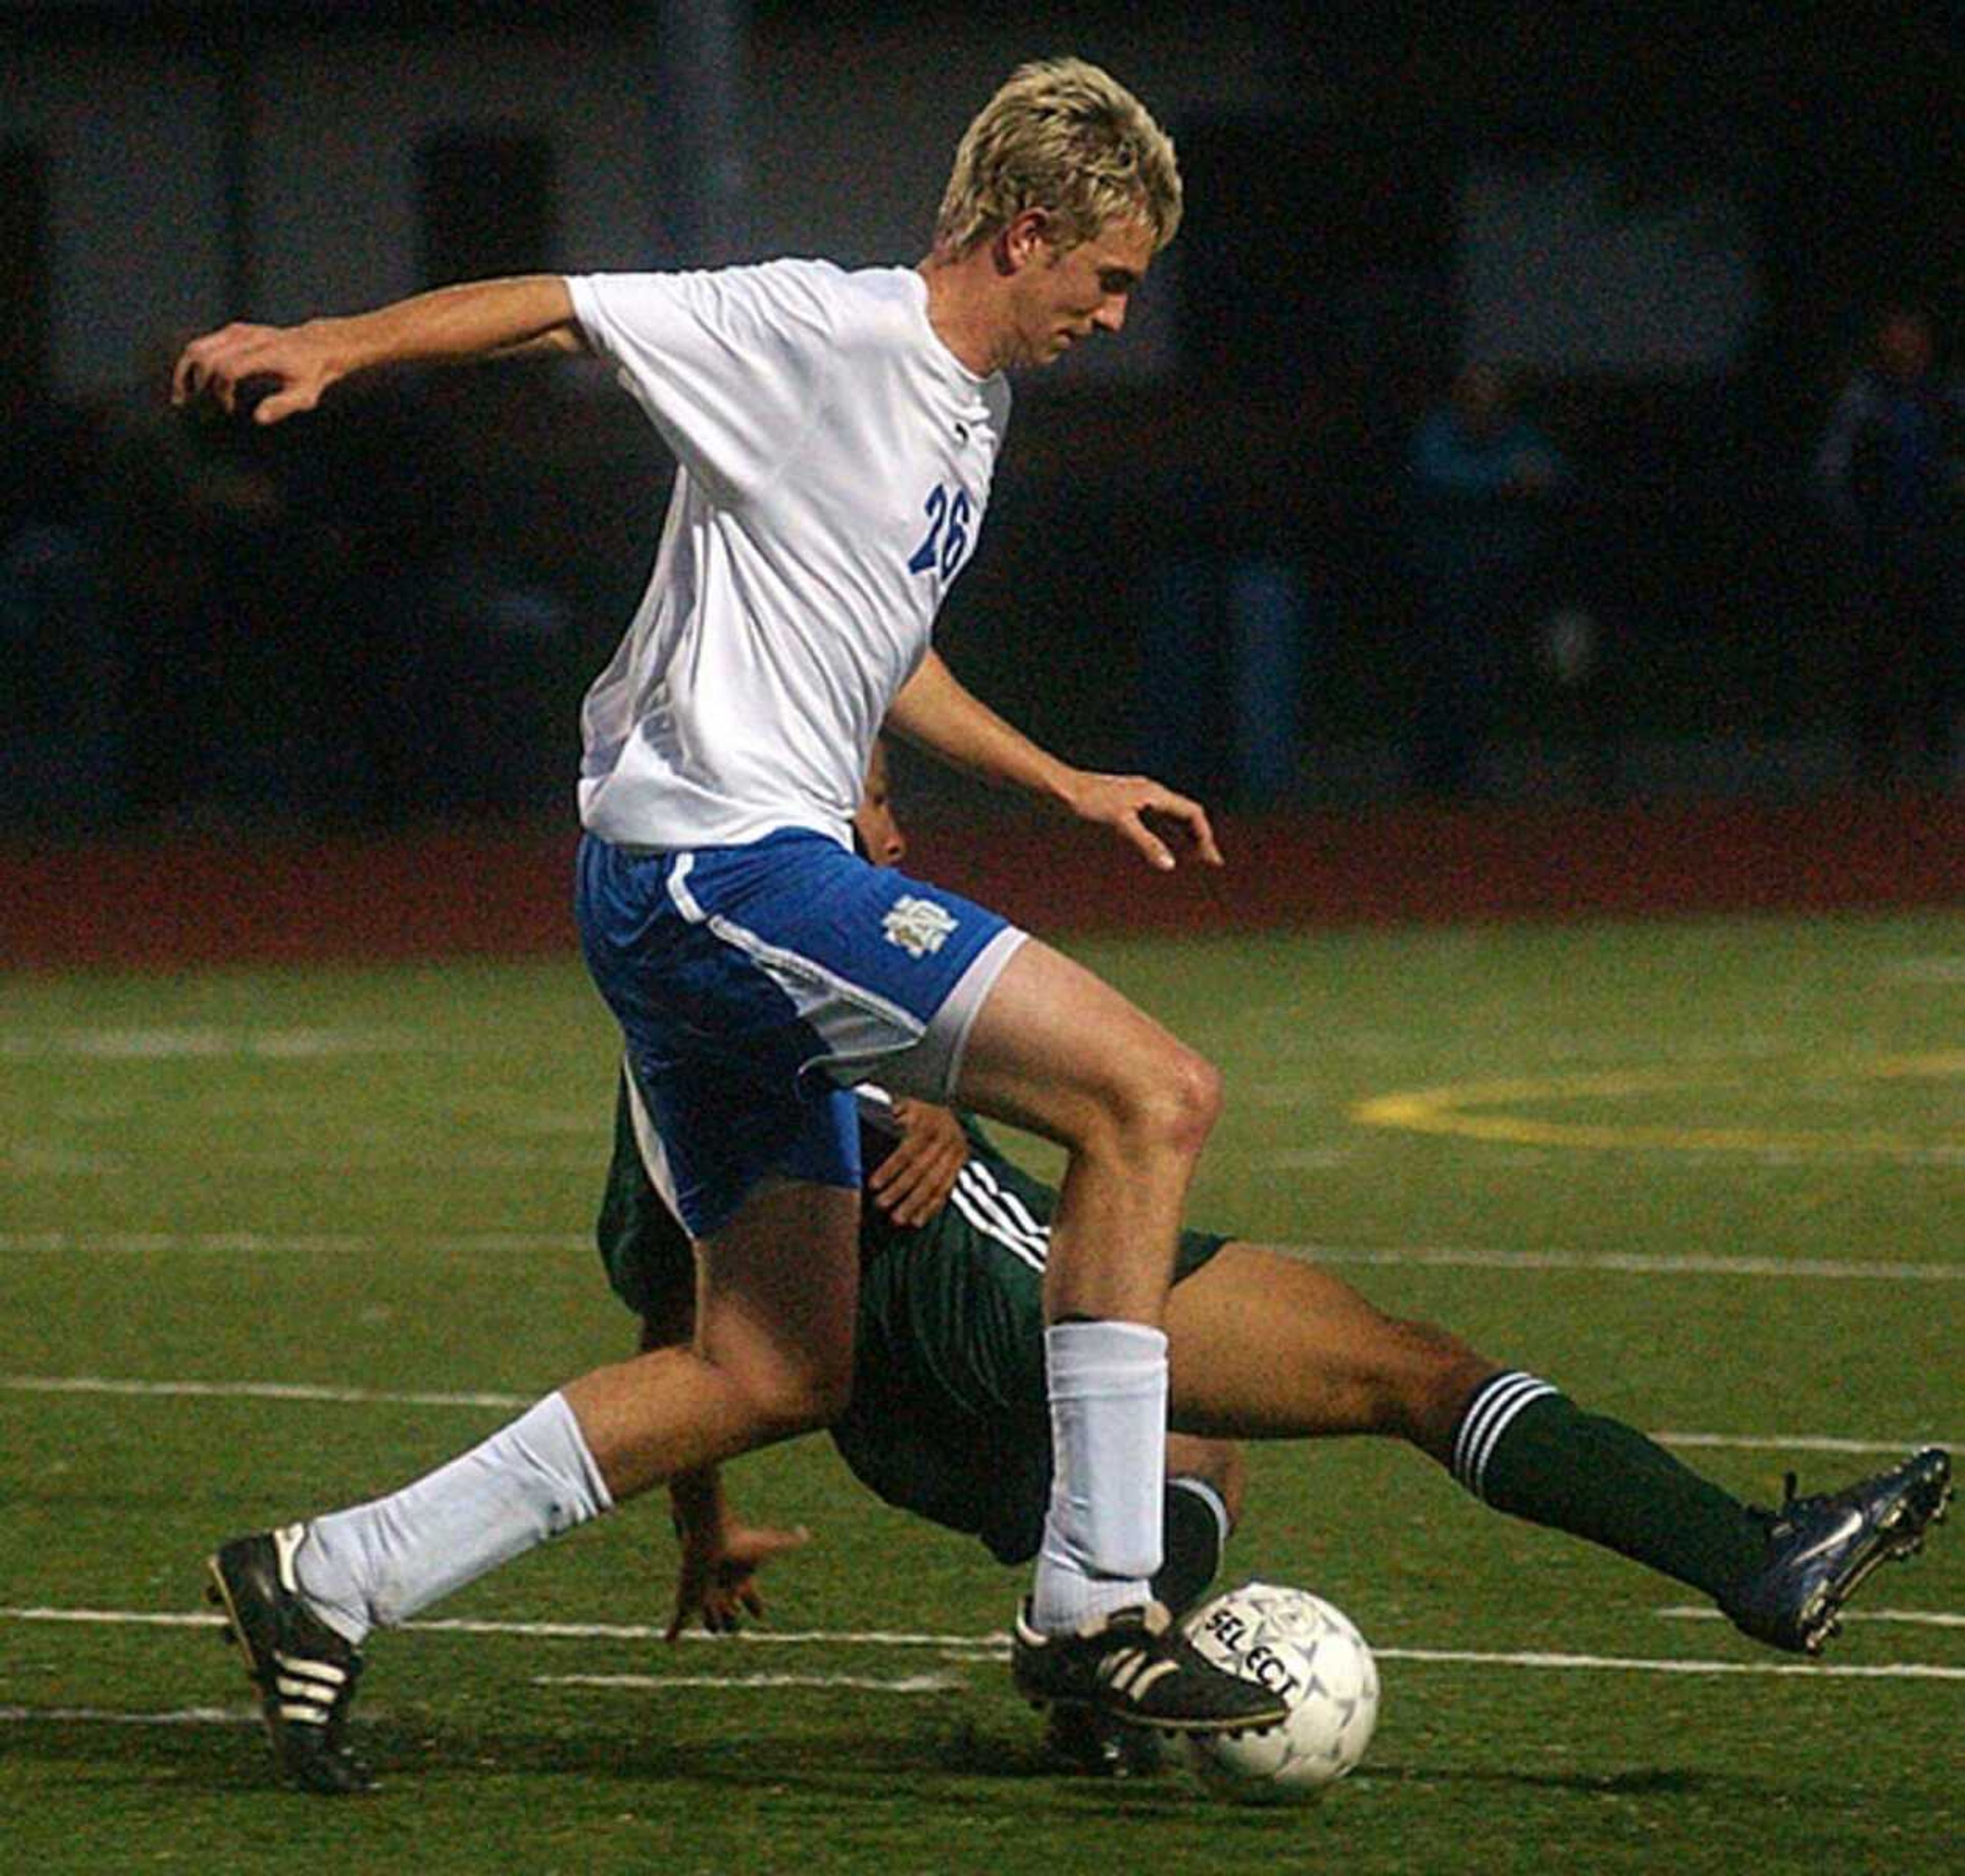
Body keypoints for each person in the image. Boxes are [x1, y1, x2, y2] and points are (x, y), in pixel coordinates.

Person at [177, 58, 1285, 1796]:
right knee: (1154, 1095)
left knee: (774, 1362)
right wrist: (335, 339)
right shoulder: (826, 330)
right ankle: (1099, 1595)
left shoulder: (968, 415)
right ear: (1025, 232)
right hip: (715, 863)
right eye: (1112, 274)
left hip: (701, 881)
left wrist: (1060, 777)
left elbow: (879, 645)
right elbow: (558, 308)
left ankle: (326, 1574)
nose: (1117, 312)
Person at [600, 749, 1953, 1774]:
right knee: (1407, 1372)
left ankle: (1099, 1711)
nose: (890, 831)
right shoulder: (809, 936)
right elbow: (1077, 1079)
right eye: (867, 804)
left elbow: (682, 1294)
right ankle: (1749, 1557)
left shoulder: (666, 998)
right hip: (995, 1305)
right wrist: (924, 1095)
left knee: (1197, 1459)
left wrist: (700, 1519)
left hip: (896, 1431)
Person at [1814, 304, 1965, 791]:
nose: (1907, 344)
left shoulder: (1945, 395)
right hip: (1879, 542)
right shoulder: (1865, 398)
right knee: (1875, 644)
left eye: (1914, 334)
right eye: (1898, 335)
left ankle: (1936, 737)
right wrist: (1855, 526)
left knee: (1939, 640)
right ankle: (1874, 744)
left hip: (1936, 538)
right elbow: (1833, 468)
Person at [1404, 362, 1569, 799]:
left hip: (1507, 577)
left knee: (1496, 672)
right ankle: (1438, 775)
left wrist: (1509, 481)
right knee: (1448, 673)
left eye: (1491, 395)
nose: (1483, 405)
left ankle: (1479, 772)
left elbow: (1549, 473)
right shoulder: (1439, 432)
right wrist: (1504, 480)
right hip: (1448, 578)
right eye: (1474, 395)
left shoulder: (1518, 433)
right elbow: (1441, 476)